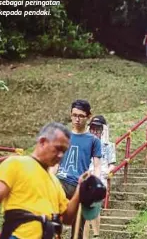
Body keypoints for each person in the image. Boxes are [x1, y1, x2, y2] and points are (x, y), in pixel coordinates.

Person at [0, 122, 85, 239]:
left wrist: (80, 189)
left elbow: (67, 218)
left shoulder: (54, 181)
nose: (60, 155)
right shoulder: (15, 163)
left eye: (64, 151)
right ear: (43, 142)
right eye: (58, 148)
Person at [51, 99, 102, 239]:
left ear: (88, 116)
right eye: (74, 115)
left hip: (79, 185)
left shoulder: (93, 140)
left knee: (78, 229)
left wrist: (94, 184)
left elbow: (97, 166)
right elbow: (55, 162)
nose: (77, 119)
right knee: (52, 221)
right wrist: (49, 179)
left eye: (81, 116)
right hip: (60, 181)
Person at [83, 115, 116, 239]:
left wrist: (108, 171)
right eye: (93, 128)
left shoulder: (108, 146)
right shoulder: (85, 144)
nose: (95, 131)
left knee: (94, 207)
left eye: (98, 129)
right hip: (86, 177)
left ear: (103, 129)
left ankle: (96, 234)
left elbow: (112, 164)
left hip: (100, 178)